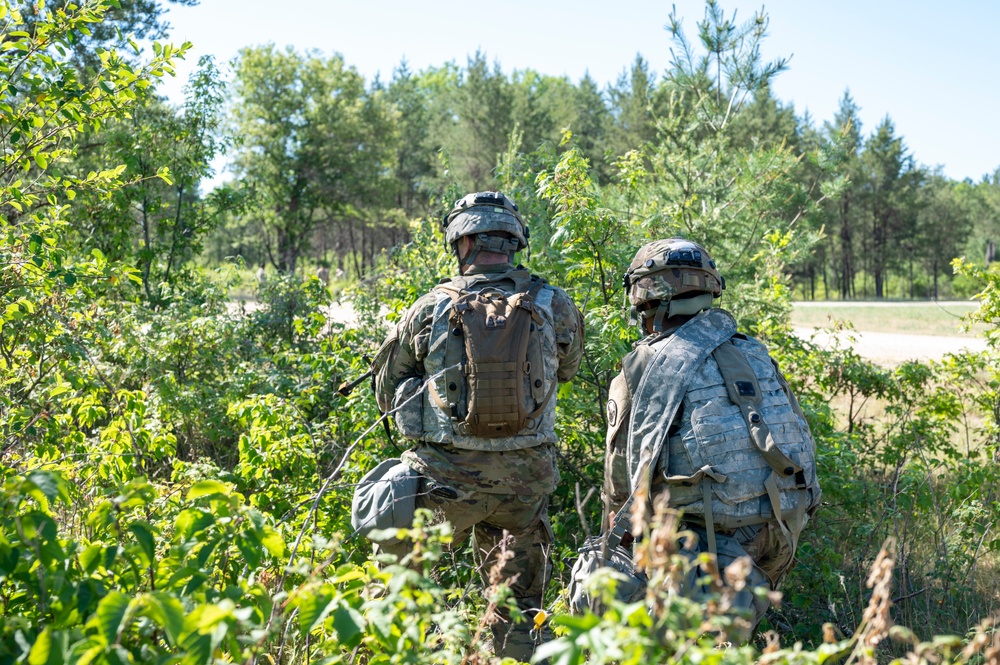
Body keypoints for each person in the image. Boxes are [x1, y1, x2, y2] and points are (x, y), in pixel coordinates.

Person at [371, 191, 584, 661]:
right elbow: (565, 370)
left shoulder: (429, 307)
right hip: (525, 483)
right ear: (515, 243)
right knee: (518, 606)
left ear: (461, 243)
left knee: (404, 591)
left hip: (444, 479)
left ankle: (411, 652)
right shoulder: (555, 304)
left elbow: (387, 386)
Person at [601, 238, 820, 628]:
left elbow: (622, 487)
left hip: (709, 543)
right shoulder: (754, 351)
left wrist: (617, 556)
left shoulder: (644, 367)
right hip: (782, 528)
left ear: (645, 299)